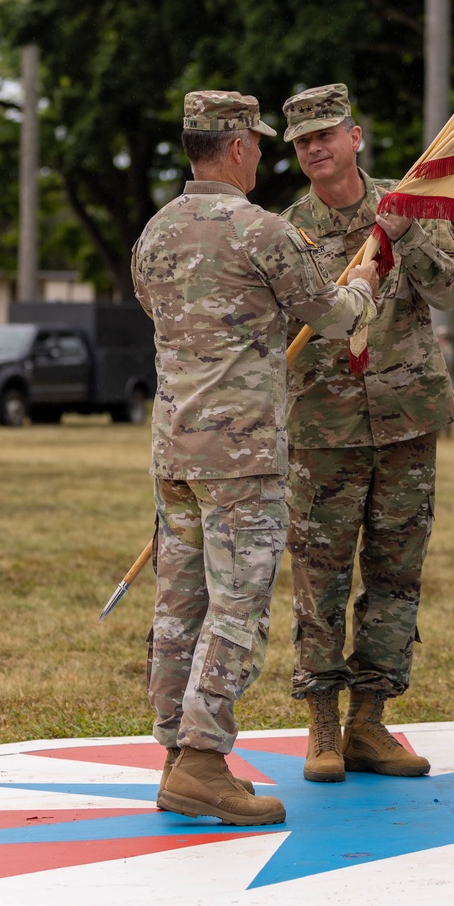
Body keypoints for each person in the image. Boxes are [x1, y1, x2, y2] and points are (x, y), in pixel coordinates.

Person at [132, 90, 379, 828]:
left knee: (179, 605)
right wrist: (363, 282)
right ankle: (205, 763)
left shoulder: (155, 232)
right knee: (236, 609)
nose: (267, 154)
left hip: (175, 447)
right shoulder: (262, 231)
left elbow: (162, 315)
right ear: (238, 146)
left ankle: (177, 751)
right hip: (240, 454)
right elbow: (333, 318)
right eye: (260, 143)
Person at [280, 83, 454, 782]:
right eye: (302, 141)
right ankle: (323, 722)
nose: (316, 148)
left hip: (406, 421)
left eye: (326, 133)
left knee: (395, 574)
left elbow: (452, 290)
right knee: (319, 575)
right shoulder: (286, 230)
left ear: (355, 136)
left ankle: (370, 718)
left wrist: (406, 232)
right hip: (323, 429)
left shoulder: (410, 206)